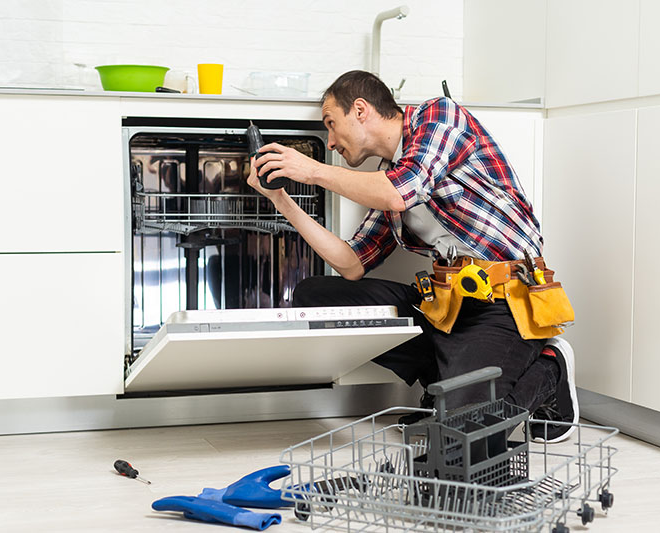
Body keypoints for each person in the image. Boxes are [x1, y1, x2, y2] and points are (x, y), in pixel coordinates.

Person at [246, 70, 578, 442]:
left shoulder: (438, 115)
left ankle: (551, 372)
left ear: (360, 110)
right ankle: (443, 388)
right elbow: (352, 264)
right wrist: (281, 200)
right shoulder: (387, 175)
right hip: (448, 305)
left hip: (505, 302)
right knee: (317, 296)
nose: (331, 141)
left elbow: (398, 191)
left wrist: (312, 170)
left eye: (331, 124)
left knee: (463, 440)